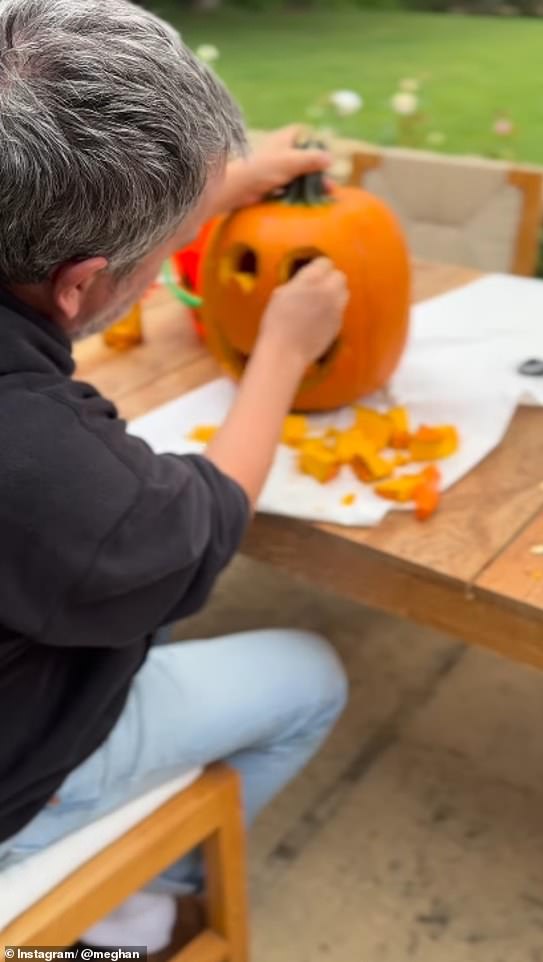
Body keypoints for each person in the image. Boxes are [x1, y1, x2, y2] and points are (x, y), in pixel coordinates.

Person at [0, 0, 349, 953]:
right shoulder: (59, 476)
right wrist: (282, 350)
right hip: (17, 775)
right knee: (311, 677)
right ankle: (139, 904)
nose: (162, 277)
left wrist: (224, 180)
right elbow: (196, 527)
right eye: (160, 260)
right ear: (79, 286)